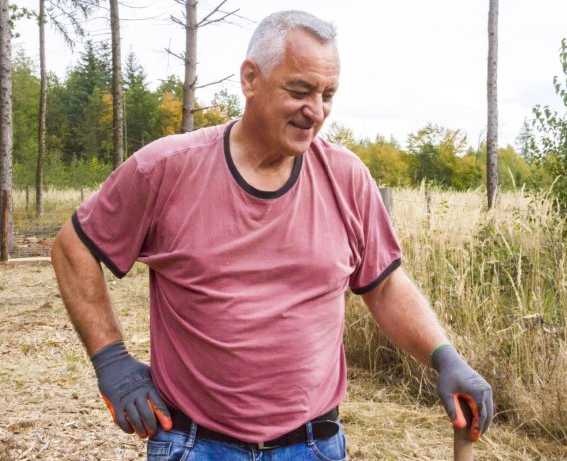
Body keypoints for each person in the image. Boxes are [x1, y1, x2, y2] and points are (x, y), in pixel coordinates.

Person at [51, 10, 493, 460]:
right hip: (195, 445)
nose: (315, 111)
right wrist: (112, 362)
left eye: (328, 94)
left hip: (311, 445)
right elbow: (73, 248)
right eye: (299, 91)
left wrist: (445, 357)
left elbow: (384, 285)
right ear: (250, 79)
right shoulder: (166, 169)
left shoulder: (346, 177)